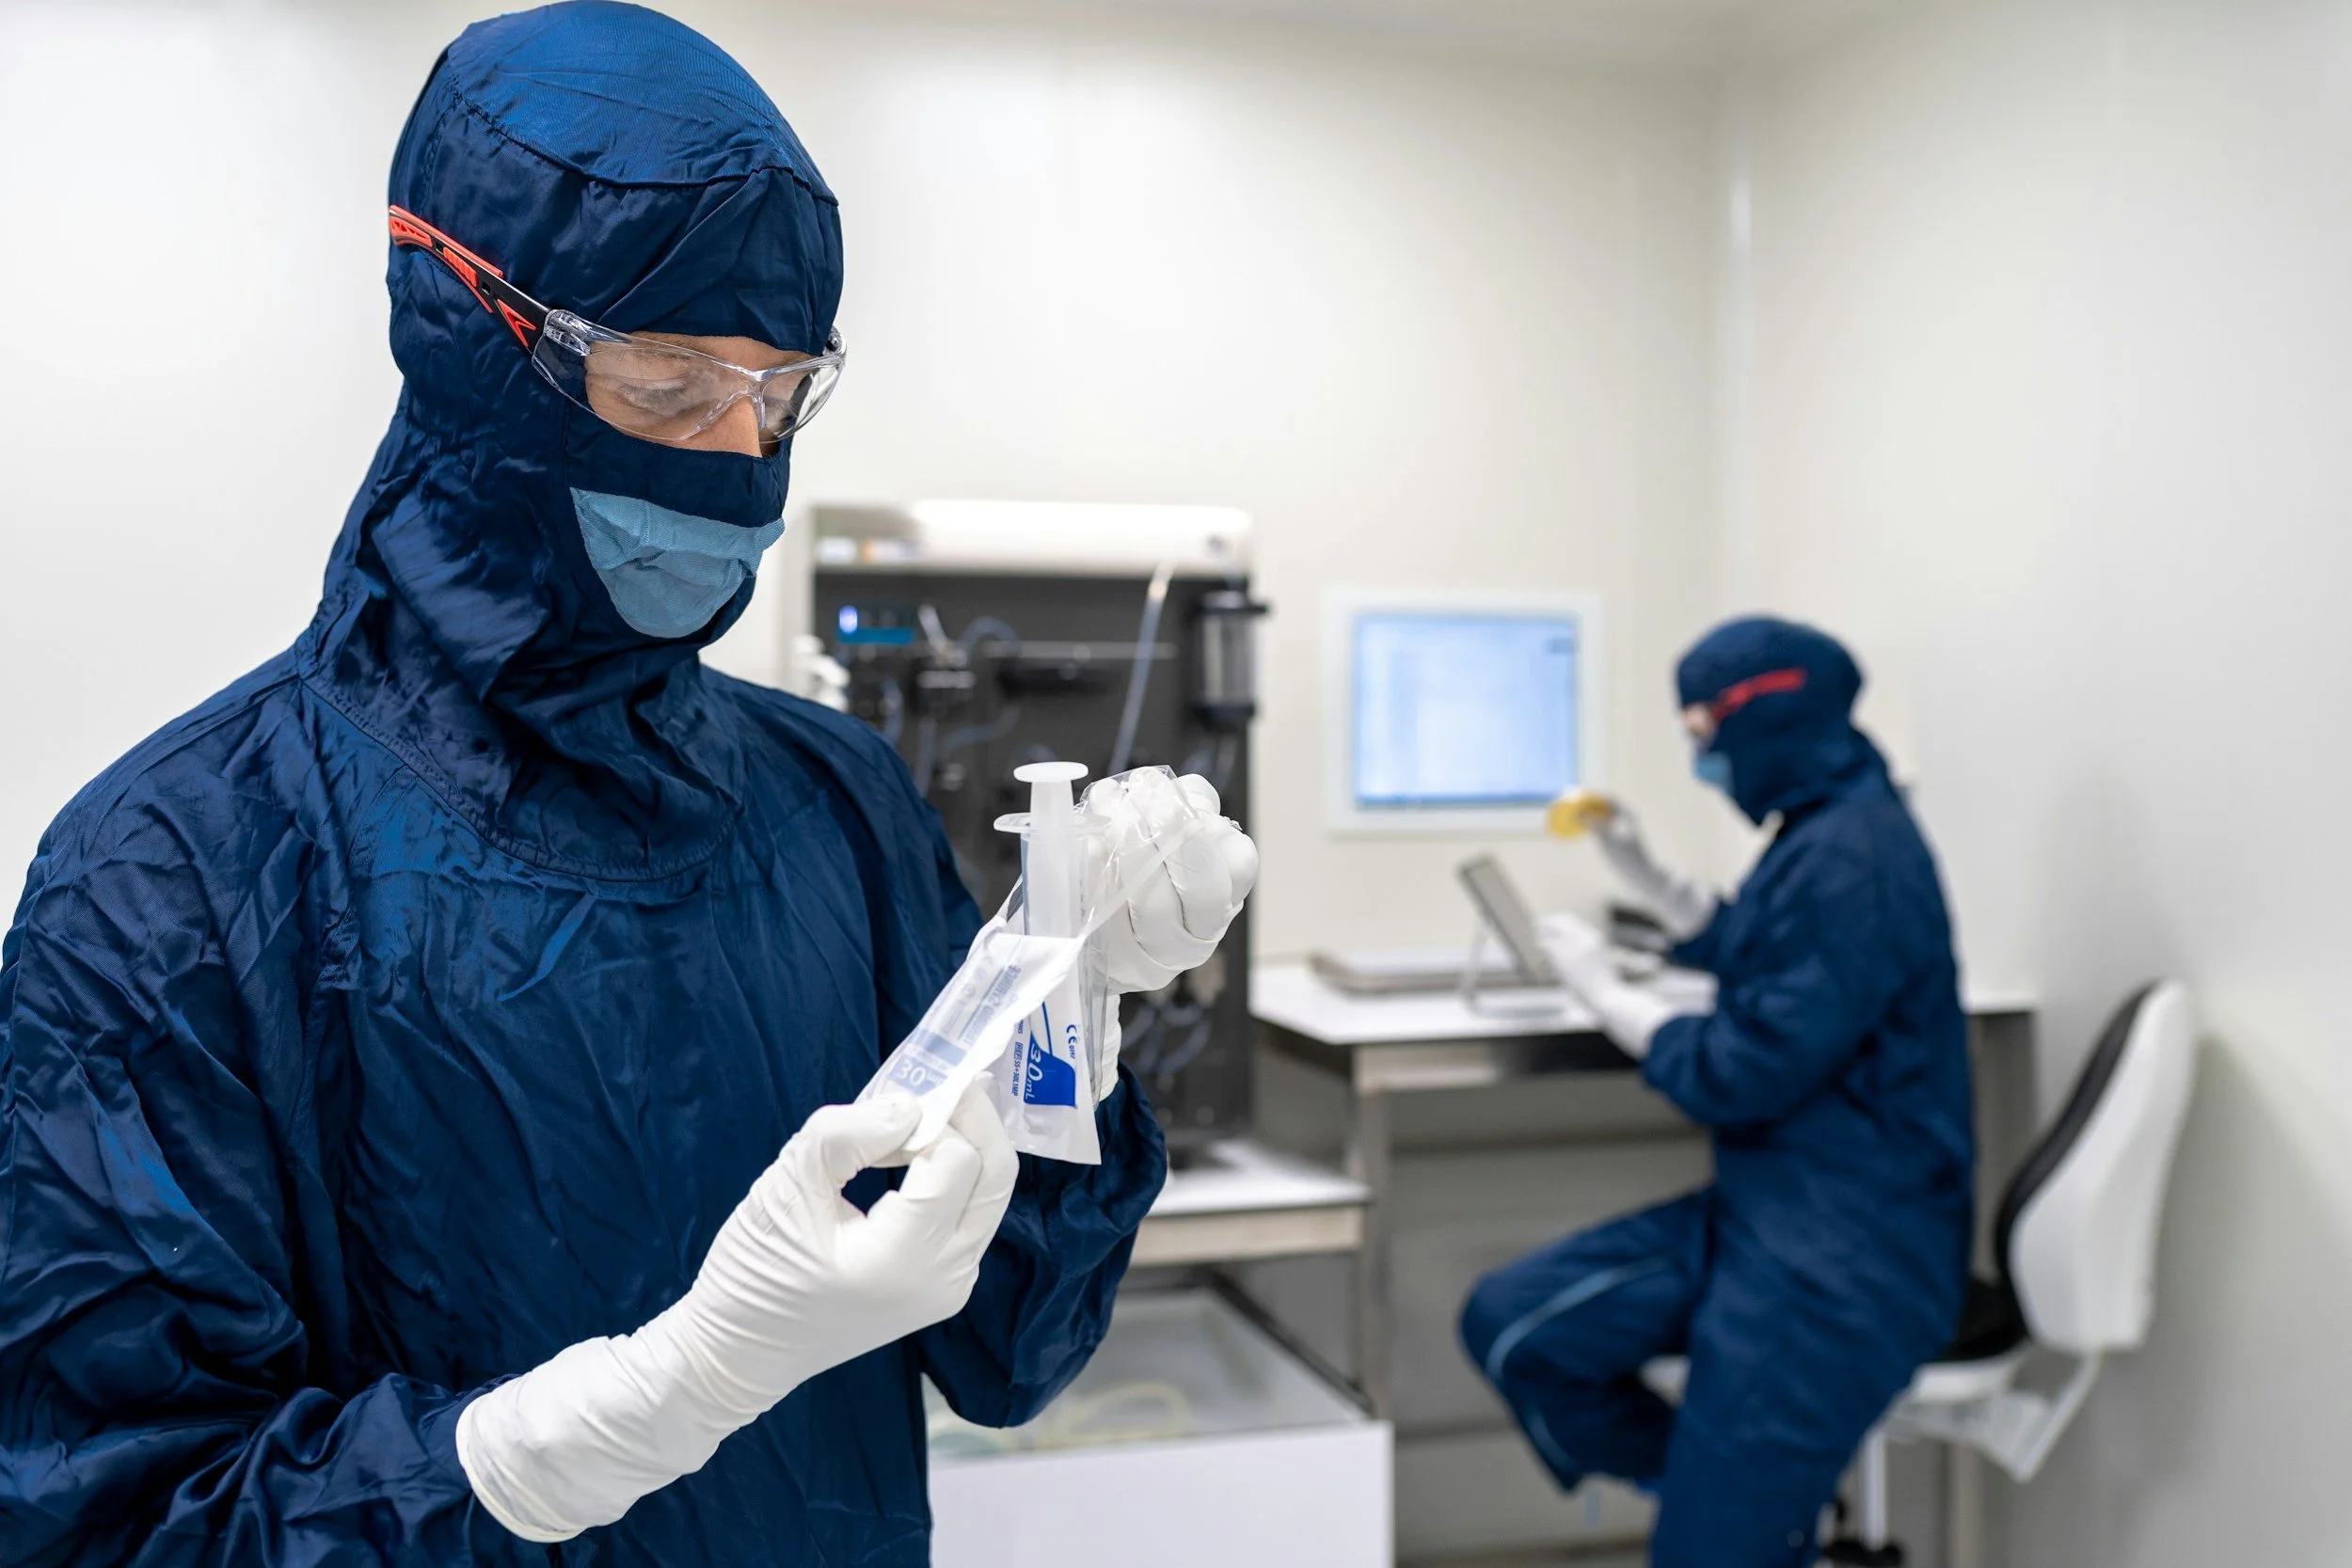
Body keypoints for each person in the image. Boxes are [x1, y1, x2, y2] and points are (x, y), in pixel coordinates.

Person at [0, 5, 1255, 1562]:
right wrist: (605, 1423)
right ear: (469, 332)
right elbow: (116, 1520)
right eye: (666, 382)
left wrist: (1070, 1002)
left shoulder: (837, 802)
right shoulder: (176, 872)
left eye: (778, 391)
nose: (735, 451)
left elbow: (1012, 1348)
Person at [1459, 617, 1972, 1567]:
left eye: (1703, 729)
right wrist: (1650, 878)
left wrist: (1607, 995)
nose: (1702, 756)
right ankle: (1739, 1509)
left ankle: (1738, 1521)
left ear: (1763, 713)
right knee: (1516, 1325)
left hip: (1845, 1257)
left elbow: (1740, 1071)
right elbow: (1770, 948)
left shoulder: (1854, 856)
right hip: (1768, 1210)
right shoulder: (1823, 829)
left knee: (1706, 1549)